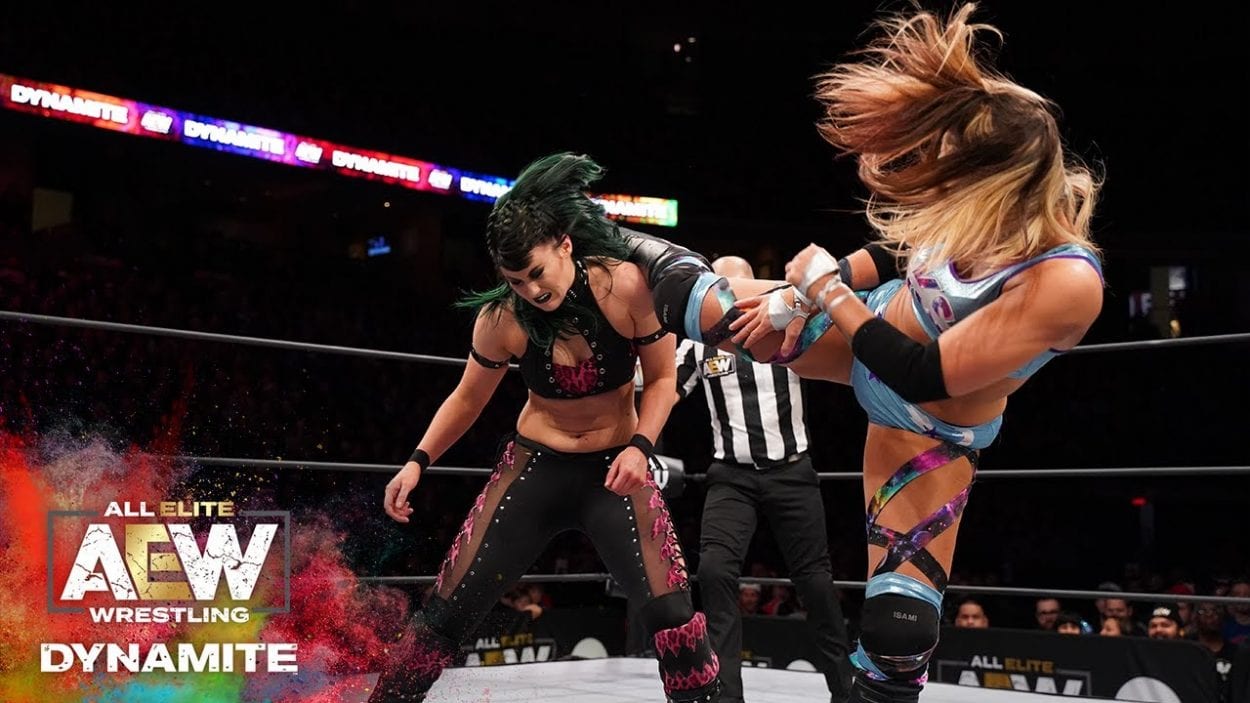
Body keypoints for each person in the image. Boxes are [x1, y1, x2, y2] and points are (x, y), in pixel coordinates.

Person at [638, 4, 1104, 701]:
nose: (936, 183)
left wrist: (824, 289)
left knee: (898, 633)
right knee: (712, 302)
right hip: (872, 324)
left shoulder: (1064, 282)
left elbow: (925, 374)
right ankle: (589, 239)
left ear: (998, 180)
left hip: (927, 424)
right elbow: (896, 252)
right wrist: (807, 296)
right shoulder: (977, 211)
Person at [369, 153, 721, 703]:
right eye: (516, 280)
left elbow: (661, 380)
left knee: (675, 618)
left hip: (615, 470)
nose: (531, 290)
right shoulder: (500, 319)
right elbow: (467, 398)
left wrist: (639, 448)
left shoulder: (626, 288)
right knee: (446, 611)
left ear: (564, 245)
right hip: (536, 467)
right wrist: (417, 461)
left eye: (536, 273)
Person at [677, 255, 852, 703]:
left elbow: (842, 351)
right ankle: (726, 696)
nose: (730, 295)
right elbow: (661, 386)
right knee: (714, 571)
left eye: (738, 285)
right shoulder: (698, 342)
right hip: (731, 477)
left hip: (791, 472)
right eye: (721, 286)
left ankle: (846, 691)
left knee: (815, 583)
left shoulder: (788, 322)